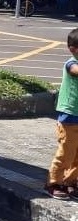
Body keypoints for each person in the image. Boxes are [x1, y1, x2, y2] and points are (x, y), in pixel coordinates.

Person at [45, 27, 78, 200]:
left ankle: (70, 182)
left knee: (77, 155)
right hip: (69, 116)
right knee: (66, 152)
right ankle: (53, 183)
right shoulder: (71, 63)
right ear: (73, 49)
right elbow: (75, 70)